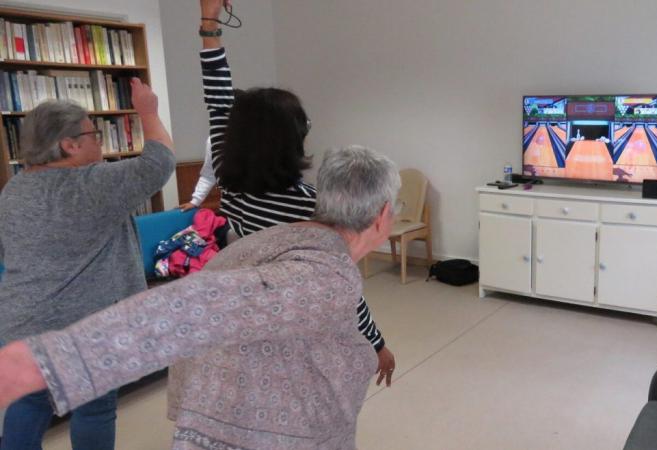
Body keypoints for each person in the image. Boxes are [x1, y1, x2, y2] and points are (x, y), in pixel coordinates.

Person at [0, 145, 401, 450]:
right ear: (383, 215)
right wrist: (57, 363)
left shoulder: (290, 239)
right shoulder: (325, 276)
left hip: (218, 419)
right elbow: (205, 306)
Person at [197, 0, 395, 384]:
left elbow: (218, 97)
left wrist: (209, 22)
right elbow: (344, 288)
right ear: (293, 140)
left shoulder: (227, 170)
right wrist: (377, 343)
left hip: (237, 312)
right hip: (290, 327)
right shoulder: (311, 208)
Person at [0, 78, 175, 450]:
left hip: (22, 322)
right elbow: (159, 161)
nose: (100, 140)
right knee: (94, 407)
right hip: (84, 327)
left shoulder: (14, 190)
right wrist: (148, 111)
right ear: (70, 144)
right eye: (94, 133)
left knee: (29, 403)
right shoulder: (92, 184)